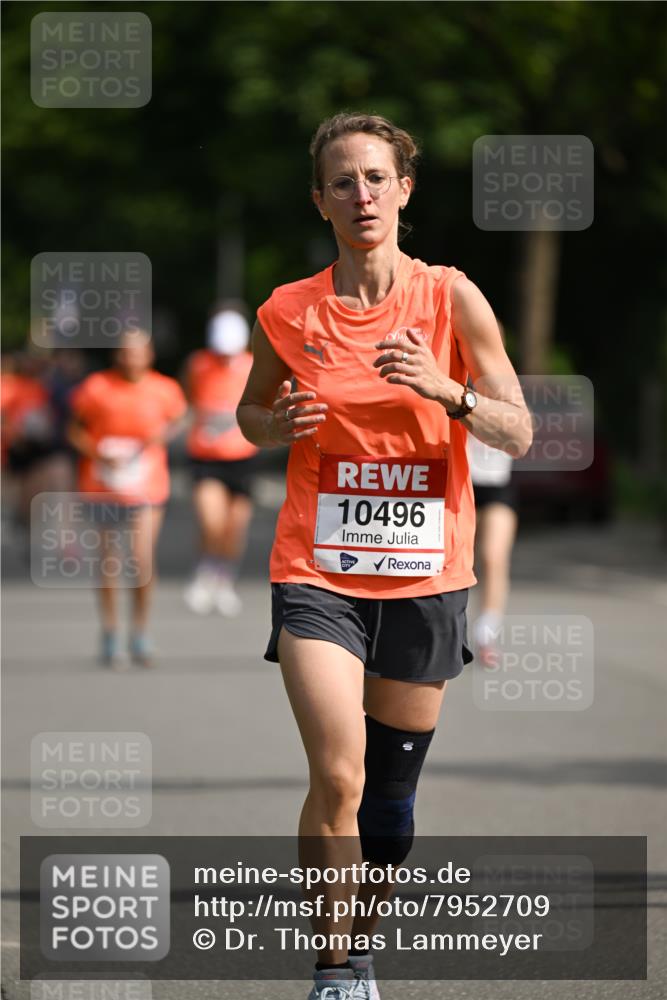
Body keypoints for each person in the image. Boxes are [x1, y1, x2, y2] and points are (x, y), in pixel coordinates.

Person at [237, 112, 532, 1000]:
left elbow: (517, 429)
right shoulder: (289, 308)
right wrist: (271, 425)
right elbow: (250, 413)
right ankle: (334, 970)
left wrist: (445, 389)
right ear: (319, 201)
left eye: (375, 178)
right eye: (341, 182)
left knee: (389, 813)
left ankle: (362, 940)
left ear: (404, 190)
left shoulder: (450, 296)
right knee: (337, 770)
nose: (360, 195)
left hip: (425, 573)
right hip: (316, 569)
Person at [67, 330, 187, 668]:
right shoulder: (96, 388)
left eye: (137, 352)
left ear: (149, 355)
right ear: (117, 355)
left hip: (147, 486)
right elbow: (74, 429)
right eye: (125, 352)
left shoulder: (165, 389)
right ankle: (109, 631)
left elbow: (178, 420)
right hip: (103, 485)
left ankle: (140, 631)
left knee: (142, 560)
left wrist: (161, 436)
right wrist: (98, 453)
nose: (131, 358)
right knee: (108, 563)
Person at [182, 303, 259, 616]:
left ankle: (224, 579)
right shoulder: (198, 364)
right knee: (211, 521)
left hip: (242, 457)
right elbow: (188, 398)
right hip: (206, 457)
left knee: (234, 528)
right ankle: (205, 572)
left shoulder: (254, 364)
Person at [466, 359, 519, 667]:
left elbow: (524, 434)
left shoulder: (509, 387)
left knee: (493, 556)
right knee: (456, 561)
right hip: (461, 485)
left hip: (497, 487)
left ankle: (487, 632)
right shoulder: (449, 378)